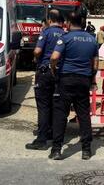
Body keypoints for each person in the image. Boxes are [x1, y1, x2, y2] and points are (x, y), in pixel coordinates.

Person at [49, 12, 99, 161]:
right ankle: (86, 150)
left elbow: (54, 57)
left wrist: (53, 69)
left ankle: (57, 150)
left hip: (66, 79)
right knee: (83, 115)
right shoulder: (92, 40)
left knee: (60, 115)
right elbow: (95, 64)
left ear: (69, 23)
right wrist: (91, 78)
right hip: (83, 80)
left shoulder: (65, 38)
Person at [25, 9, 65, 150]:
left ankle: (41, 140)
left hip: (44, 72)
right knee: (56, 105)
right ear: (62, 21)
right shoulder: (65, 35)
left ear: (49, 20)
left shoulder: (46, 32)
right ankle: (53, 134)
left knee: (43, 106)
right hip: (59, 74)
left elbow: (37, 51)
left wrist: (37, 60)